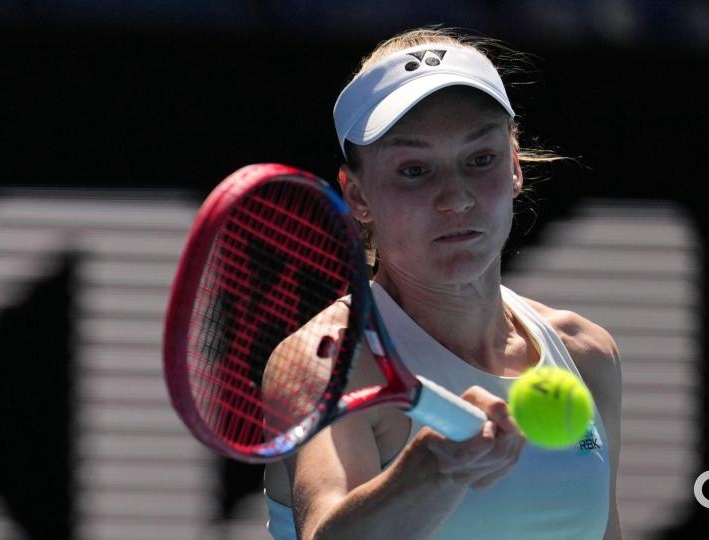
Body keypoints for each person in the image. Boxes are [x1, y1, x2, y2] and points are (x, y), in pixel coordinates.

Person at [264, 27, 622, 540]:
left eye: (481, 159)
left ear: (515, 165)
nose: (455, 198)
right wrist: (432, 472)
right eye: (414, 169)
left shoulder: (587, 354)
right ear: (358, 194)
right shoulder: (328, 363)